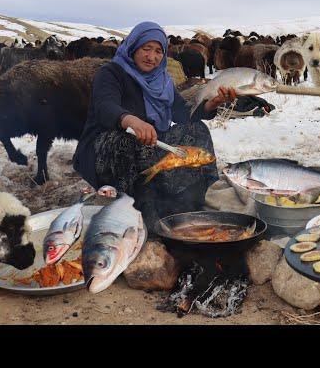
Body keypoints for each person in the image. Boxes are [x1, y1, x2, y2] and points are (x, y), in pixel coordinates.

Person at [73, 22, 236, 233]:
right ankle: (138, 210)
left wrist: (212, 103)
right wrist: (130, 120)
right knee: (130, 142)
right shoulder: (112, 72)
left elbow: (183, 114)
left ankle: (201, 197)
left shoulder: (162, 80)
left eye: (158, 51)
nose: (152, 57)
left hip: (148, 142)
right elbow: (105, 106)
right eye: (146, 49)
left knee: (198, 130)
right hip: (104, 148)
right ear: (133, 47)